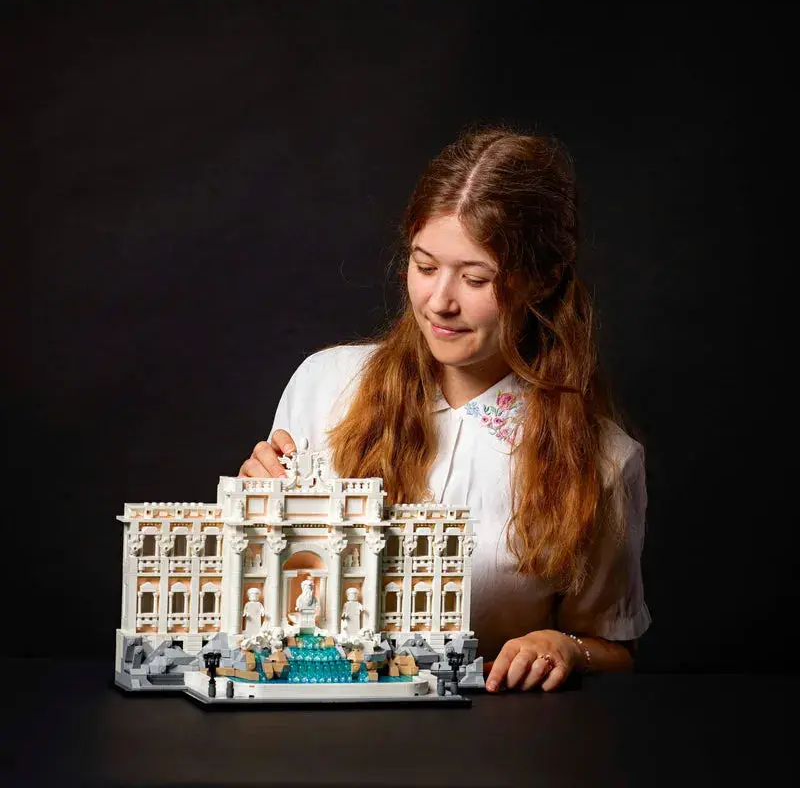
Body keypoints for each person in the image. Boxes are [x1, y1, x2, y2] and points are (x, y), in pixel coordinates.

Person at [239, 126, 650, 693]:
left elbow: (615, 648)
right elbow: (264, 601)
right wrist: (252, 511)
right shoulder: (323, 385)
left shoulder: (604, 460)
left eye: (476, 278)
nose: (439, 302)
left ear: (544, 280)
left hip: (487, 736)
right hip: (319, 726)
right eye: (425, 266)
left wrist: (565, 646)